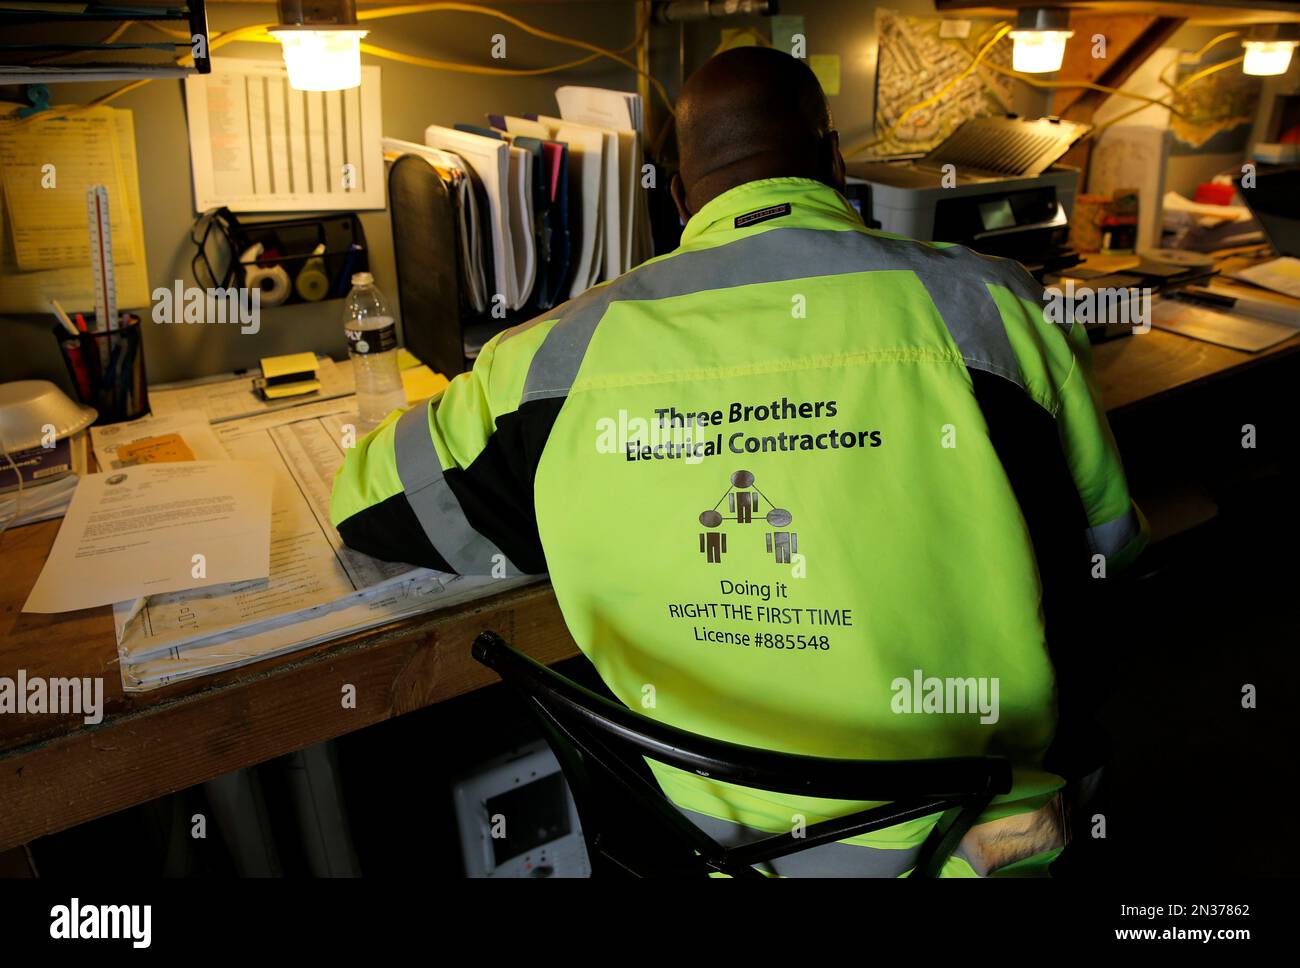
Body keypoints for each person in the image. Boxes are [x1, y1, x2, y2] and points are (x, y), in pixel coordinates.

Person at [330, 46, 1145, 876]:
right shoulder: (1000, 311)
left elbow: (371, 505)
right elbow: (1109, 550)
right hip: (980, 845)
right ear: (832, 162)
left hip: (712, 846)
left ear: (681, 197)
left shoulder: (549, 359)